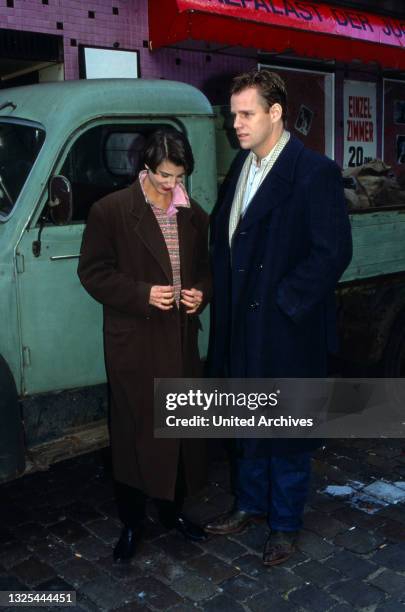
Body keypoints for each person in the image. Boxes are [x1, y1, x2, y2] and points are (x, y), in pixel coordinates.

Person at [206, 69, 352, 566]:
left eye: (246, 114)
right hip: (242, 326)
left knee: (285, 429)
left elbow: (331, 252)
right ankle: (249, 503)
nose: (236, 125)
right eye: (233, 115)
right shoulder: (242, 168)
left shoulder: (314, 173)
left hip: (285, 329)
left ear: (275, 113)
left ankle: (285, 524)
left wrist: (284, 304)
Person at [78, 127, 210, 562]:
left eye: (179, 176)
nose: (173, 185)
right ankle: (132, 524)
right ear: (146, 168)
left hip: (180, 339)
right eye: (165, 176)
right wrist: (142, 294)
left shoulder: (195, 215)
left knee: (179, 433)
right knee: (135, 435)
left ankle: (173, 513)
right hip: (135, 342)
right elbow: (93, 273)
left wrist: (200, 294)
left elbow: (207, 271)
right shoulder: (111, 211)